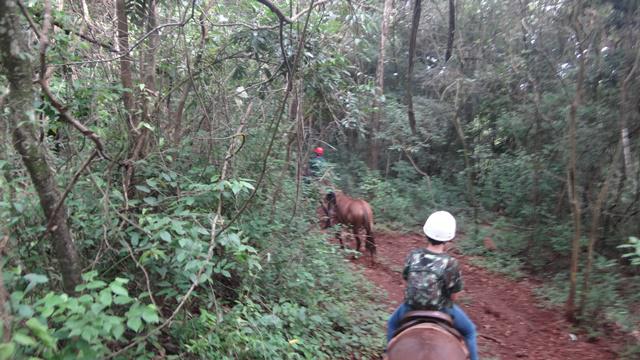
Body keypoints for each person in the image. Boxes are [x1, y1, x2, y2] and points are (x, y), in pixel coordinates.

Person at [386, 211, 478, 360]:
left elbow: (406, 280)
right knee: (470, 331)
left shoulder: (413, 255)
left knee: (391, 324)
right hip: (442, 308)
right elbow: (454, 296)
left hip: (410, 307)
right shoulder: (450, 263)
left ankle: (387, 353)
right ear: (448, 238)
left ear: (426, 234)